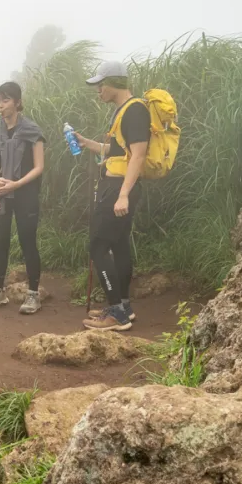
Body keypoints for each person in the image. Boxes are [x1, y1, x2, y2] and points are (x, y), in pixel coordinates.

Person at [74, 60, 150, 331]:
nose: (98, 91)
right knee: (118, 246)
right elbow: (118, 151)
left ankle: (116, 313)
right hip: (116, 186)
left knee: (97, 246)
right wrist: (86, 143)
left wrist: (123, 195)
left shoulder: (135, 111)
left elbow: (139, 155)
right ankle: (123, 307)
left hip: (119, 189)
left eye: (100, 85)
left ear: (114, 83)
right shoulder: (124, 111)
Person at [0, 81, 45, 314]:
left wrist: (16, 184)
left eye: (5, 100)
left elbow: (39, 167)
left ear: (17, 102)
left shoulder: (32, 131)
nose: (0, 106)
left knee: (28, 241)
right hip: (0, 194)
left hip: (25, 193)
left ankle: (33, 294)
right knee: (0, 242)